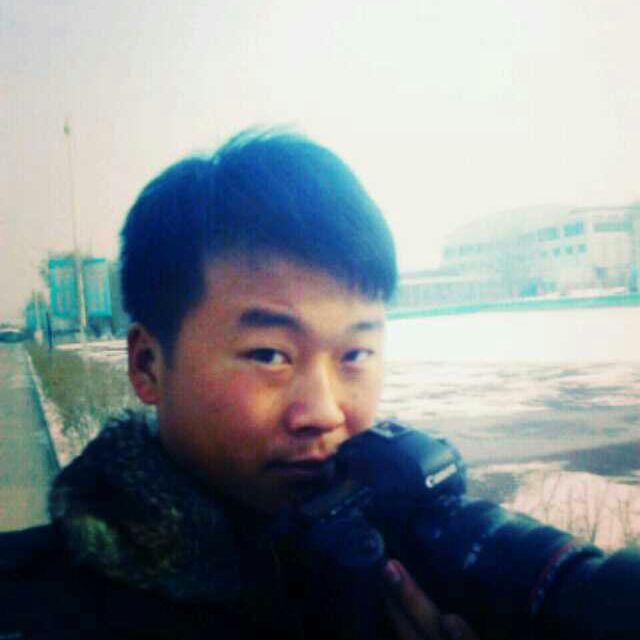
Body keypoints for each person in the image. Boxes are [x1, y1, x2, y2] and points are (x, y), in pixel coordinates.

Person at [0, 130, 477, 639]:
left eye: (355, 354)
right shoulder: (30, 608)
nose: (324, 412)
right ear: (147, 365)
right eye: (269, 355)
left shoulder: (430, 580)